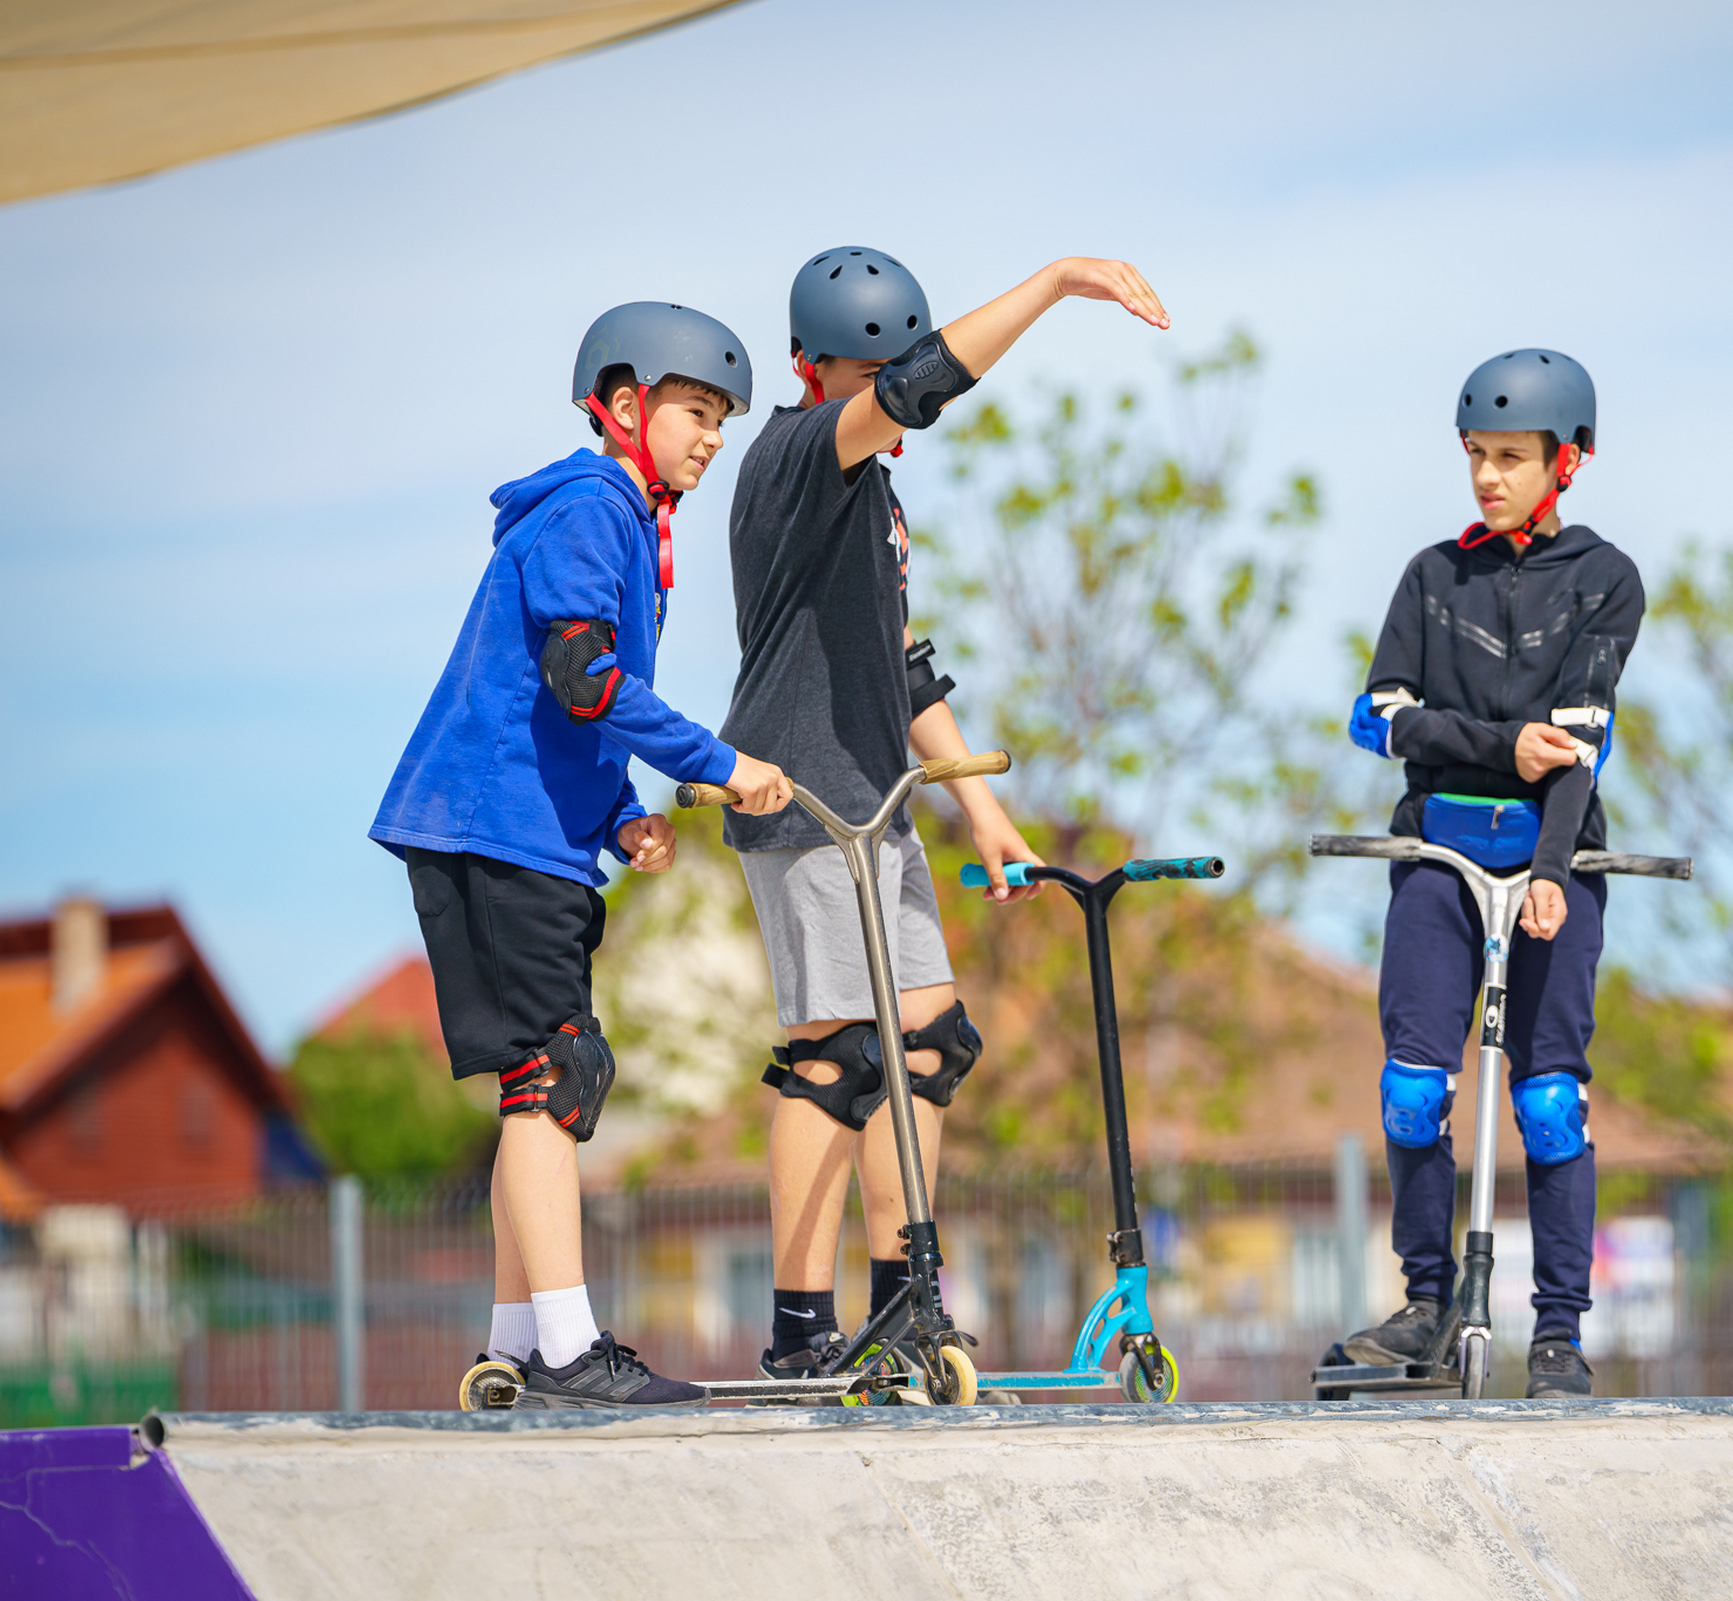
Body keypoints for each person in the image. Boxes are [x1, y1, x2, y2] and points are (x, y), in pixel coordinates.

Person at [720, 249, 1168, 1386]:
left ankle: (903, 1301)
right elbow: (921, 386)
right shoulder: (795, 456)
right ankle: (798, 1325)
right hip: (809, 797)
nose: (882, 398)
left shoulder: (874, 498)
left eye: (884, 373)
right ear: (811, 369)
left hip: (886, 805)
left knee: (929, 1047)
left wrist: (985, 811)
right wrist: (1057, 283)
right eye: (860, 374)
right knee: (839, 1054)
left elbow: (905, 671)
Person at [371, 303, 793, 1407]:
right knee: (554, 1075)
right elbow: (579, 673)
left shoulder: (620, 524)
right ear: (623, 404)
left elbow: (567, 706)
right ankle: (566, 1347)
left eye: (722, 420)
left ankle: (517, 1342)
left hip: (518, 825)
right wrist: (712, 762)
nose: (711, 436)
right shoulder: (594, 506)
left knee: (547, 1076)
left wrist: (618, 816)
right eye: (697, 411)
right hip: (497, 826)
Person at [1338, 349, 1645, 1399]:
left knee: (1551, 1099)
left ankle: (1557, 1333)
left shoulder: (1606, 579)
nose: (1486, 476)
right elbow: (1376, 717)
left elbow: (1579, 746)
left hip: (1558, 855)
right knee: (1413, 1087)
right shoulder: (1432, 575)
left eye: (1510, 457)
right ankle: (1426, 1303)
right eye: (1476, 454)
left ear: (1567, 461)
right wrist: (1497, 745)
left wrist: (1554, 866)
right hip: (1439, 852)